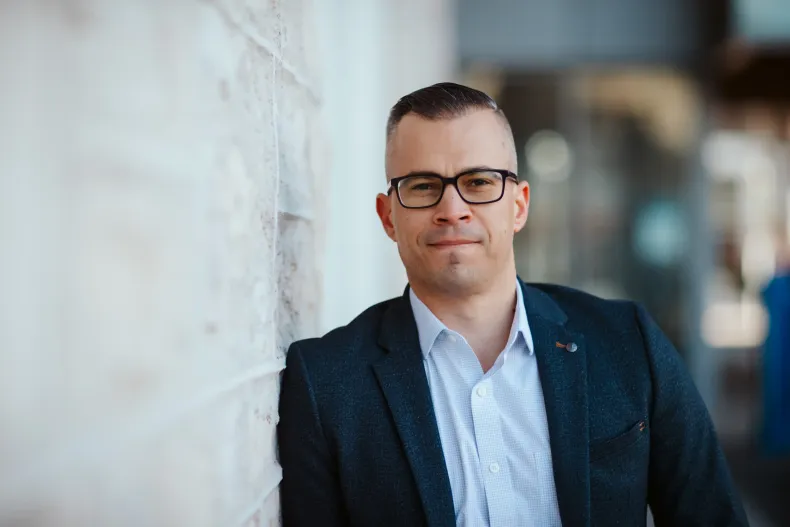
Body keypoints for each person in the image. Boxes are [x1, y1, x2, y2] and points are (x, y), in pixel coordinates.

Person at [277, 82, 748, 526]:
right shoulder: (326, 384)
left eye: (479, 182)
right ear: (388, 217)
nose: (452, 209)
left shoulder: (629, 342)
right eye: (422, 186)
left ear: (519, 205)